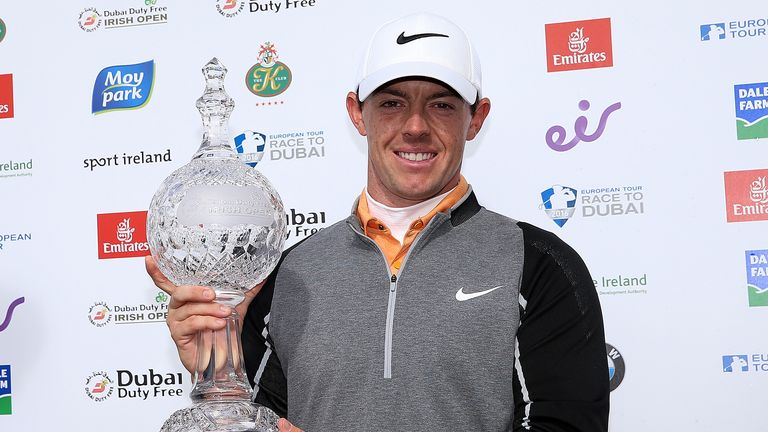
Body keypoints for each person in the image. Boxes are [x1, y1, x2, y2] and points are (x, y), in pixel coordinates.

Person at [147, 12, 609, 432]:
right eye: (391, 103)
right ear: (356, 112)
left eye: (442, 104)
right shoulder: (287, 273)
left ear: (476, 118)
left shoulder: (540, 266)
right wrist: (218, 367)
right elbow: (266, 418)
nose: (414, 126)